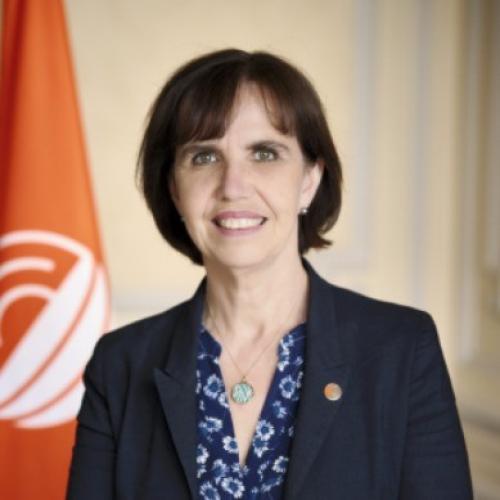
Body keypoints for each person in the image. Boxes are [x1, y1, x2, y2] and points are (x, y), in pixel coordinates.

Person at [66, 49, 473, 499]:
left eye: (264, 153)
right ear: (175, 190)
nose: (232, 186)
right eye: (204, 156)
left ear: (309, 180)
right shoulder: (120, 364)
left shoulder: (402, 348)